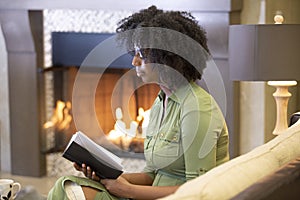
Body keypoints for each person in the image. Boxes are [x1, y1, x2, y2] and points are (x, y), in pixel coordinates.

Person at [47, 5, 229, 200]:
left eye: (142, 55)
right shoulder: (161, 102)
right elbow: (152, 174)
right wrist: (107, 178)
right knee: (65, 186)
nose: (134, 62)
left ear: (168, 60)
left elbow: (198, 189)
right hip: (148, 195)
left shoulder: (197, 109)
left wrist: (127, 191)